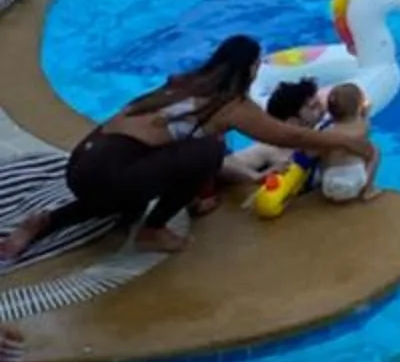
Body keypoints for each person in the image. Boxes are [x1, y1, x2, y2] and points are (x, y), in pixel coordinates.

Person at [0, 38, 372, 264]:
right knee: (209, 152)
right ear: (251, 68)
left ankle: (46, 222)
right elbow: (292, 138)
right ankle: (154, 230)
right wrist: (342, 139)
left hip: (83, 163)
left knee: (126, 202)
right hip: (108, 173)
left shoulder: (185, 82)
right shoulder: (231, 105)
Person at [313, 81, 380, 202]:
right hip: (355, 184)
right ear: (358, 108)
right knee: (374, 150)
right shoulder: (363, 126)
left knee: (325, 152)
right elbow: (365, 145)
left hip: (328, 186)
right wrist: (365, 113)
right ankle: (368, 190)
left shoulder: (326, 133)